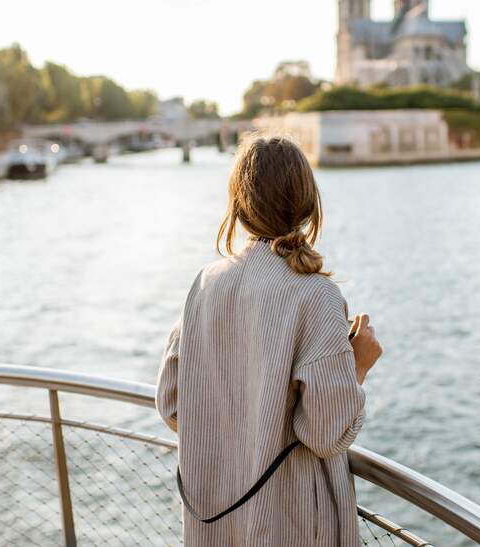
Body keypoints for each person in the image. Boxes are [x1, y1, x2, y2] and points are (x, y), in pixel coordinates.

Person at [157, 136, 383, 547]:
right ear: (308, 205)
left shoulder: (205, 283)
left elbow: (172, 403)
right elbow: (326, 434)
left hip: (217, 517)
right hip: (291, 523)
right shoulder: (316, 296)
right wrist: (358, 365)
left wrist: (237, 429)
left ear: (239, 207)